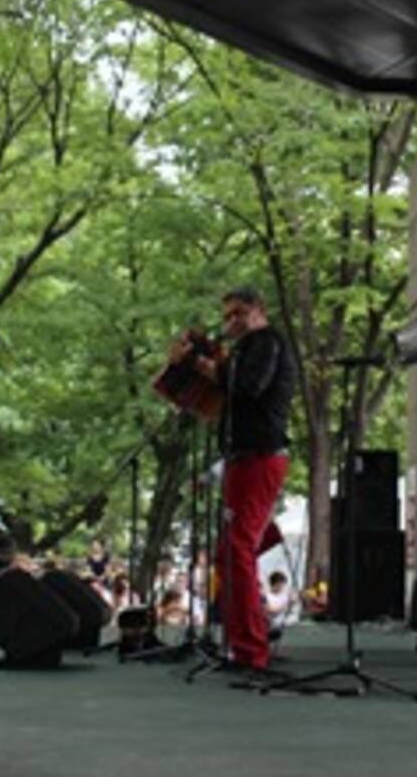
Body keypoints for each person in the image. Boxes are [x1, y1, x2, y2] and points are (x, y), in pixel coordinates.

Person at [170, 286, 296, 675]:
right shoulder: (244, 349)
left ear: (259, 310)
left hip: (260, 456)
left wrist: (199, 363)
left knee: (238, 549)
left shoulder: (267, 342)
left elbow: (247, 386)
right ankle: (242, 645)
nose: (231, 322)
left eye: (238, 313)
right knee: (228, 554)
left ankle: (252, 650)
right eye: (227, 316)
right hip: (241, 458)